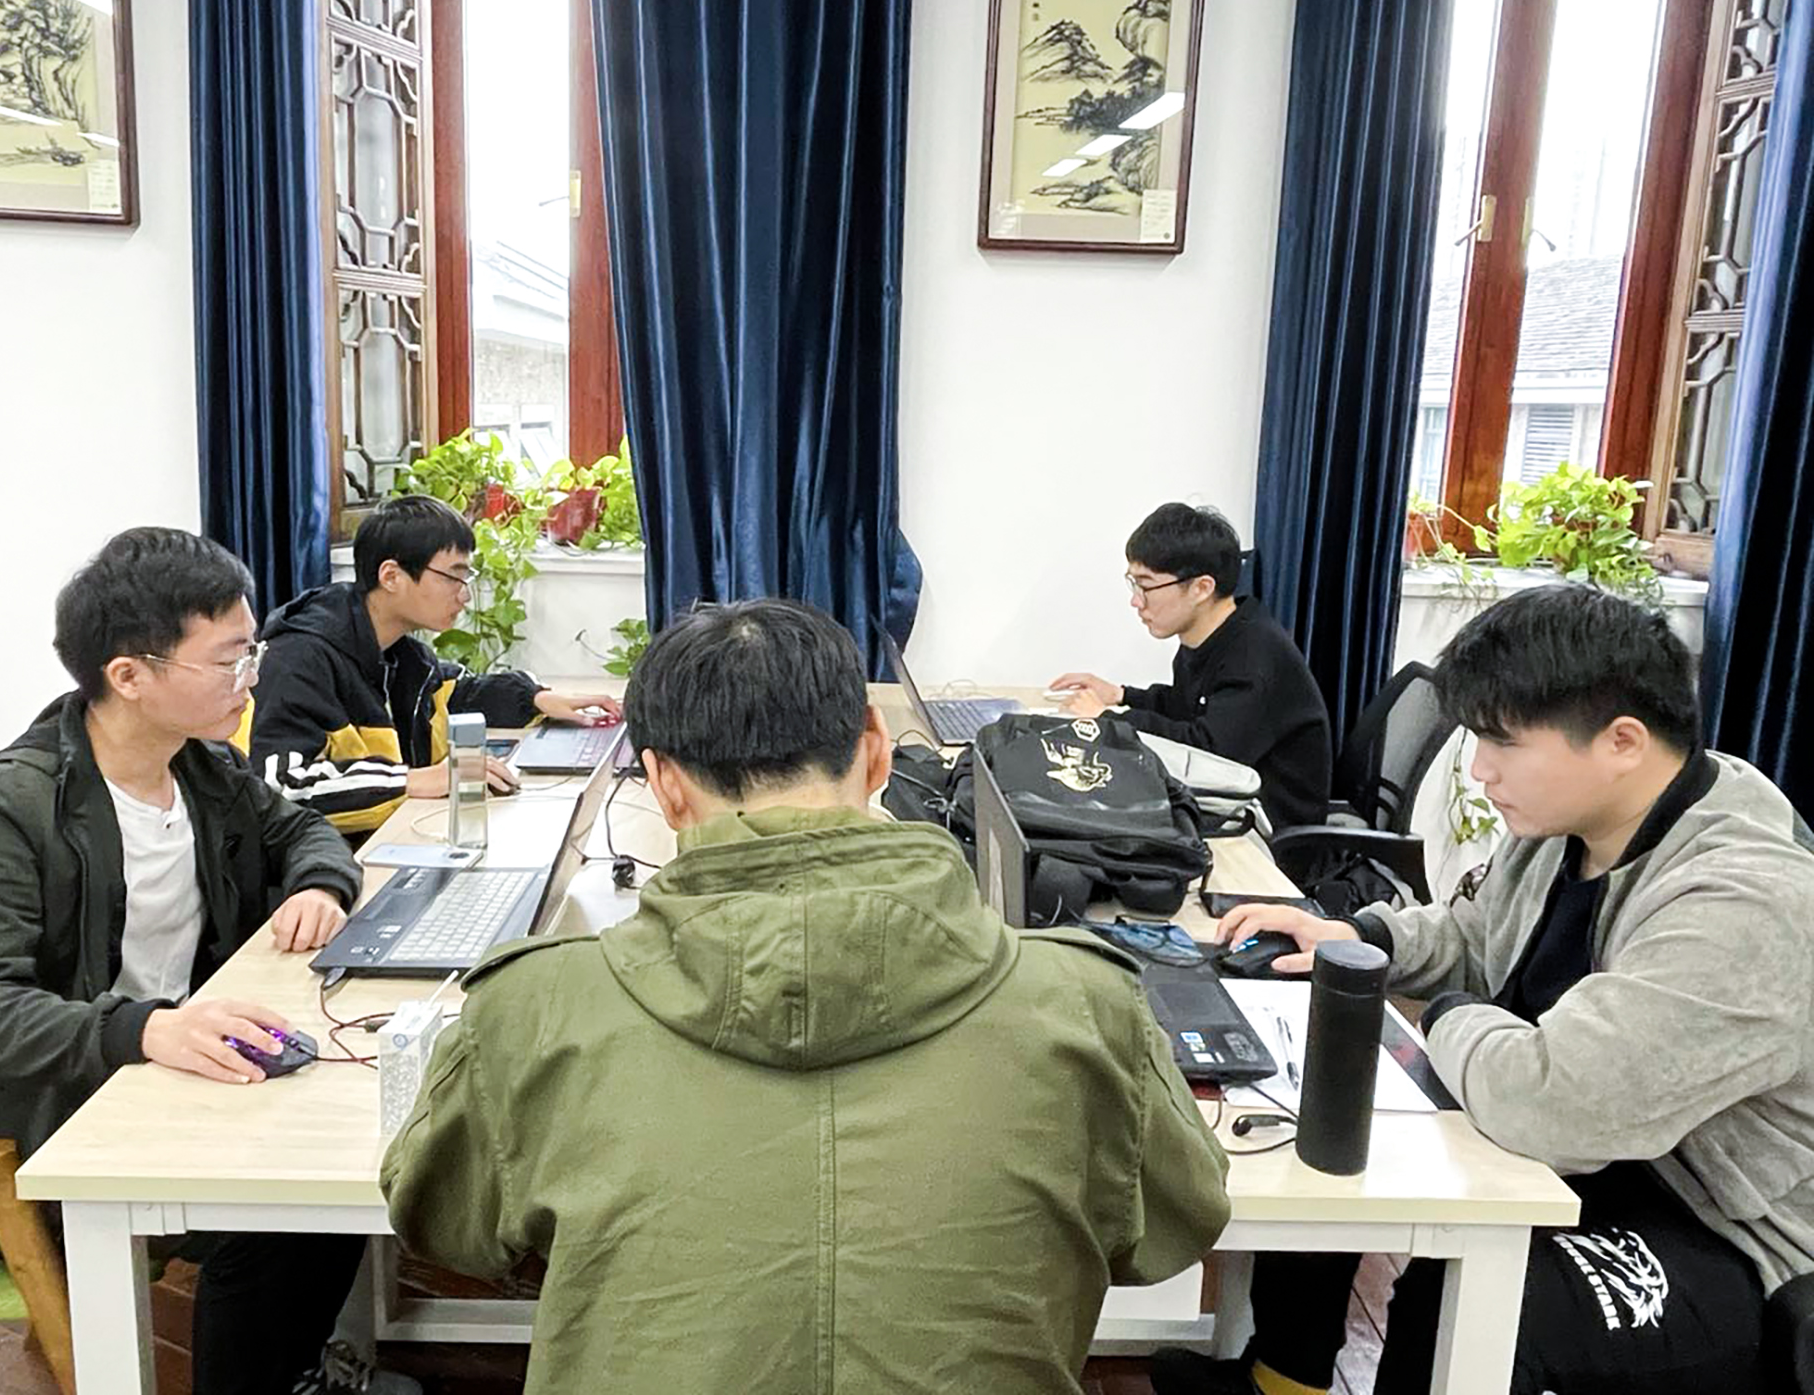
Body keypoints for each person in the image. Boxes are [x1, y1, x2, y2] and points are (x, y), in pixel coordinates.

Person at [381, 598, 1231, 1394]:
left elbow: (450, 1227)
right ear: (876, 751)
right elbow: (1173, 1227)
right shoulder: (1086, 1004)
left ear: (664, 785)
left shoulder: (532, 1009)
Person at [1153, 585, 1814, 1395]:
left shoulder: (1745, 902)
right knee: (1330, 1130)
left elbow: (1557, 1103)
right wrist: (1357, 939)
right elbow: (1473, 933)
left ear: (1623, 742)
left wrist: (1452, 1017)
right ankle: (1282, 1379)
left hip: (1730, 1234)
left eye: (1503, 743)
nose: (1479, 770)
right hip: (1600, 1154)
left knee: (1470, 1310)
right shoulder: (1574, 824)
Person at [0, 528, 379, 1395]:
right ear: (129, 675)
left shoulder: (202, 768)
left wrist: (319, 885)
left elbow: (301, 827)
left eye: (253, 651)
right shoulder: (3, 809)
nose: (251, 676)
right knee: (274, 1206)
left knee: (342, 1147)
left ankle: (298, 1368)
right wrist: (145, 1030)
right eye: (229, 658)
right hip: (37, 1093)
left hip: (154, 1056)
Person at [240, 494, 623, 839]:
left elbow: (460, 694)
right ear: (391, 576)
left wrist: (537, 698)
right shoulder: (298, 660)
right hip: (319, 873)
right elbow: (282, 787)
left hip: (391, 839)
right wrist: (411, 781)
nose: (464, 594)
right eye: (453, 576)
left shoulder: (400, 653)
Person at [1050, 503, 1331, 830]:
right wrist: (1121, 695)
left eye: (1146, 585)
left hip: (1265, 832)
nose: (1136, 601)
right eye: (1133, 584)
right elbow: (1186, 707)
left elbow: (1207, 754)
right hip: (1225, 806)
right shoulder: (1209, 635)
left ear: (1201, 588)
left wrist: (1109, 720)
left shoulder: (1255, 656)